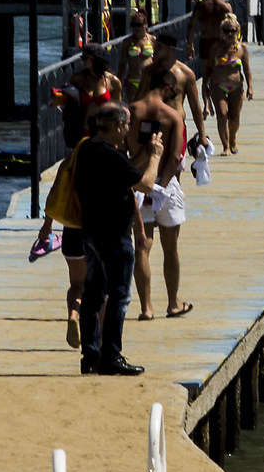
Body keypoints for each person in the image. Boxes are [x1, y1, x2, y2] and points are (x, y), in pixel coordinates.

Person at [73, 104, 156, 376]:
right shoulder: (112, 156)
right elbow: (144, 184)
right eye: (127, 124)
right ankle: (111, 356)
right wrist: (154, 155)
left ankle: (91, 355)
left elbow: (127, 177)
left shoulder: (86, 149)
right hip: (114, 238)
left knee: (93, 294)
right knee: (119, 296)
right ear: (117, 126)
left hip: (92, 234)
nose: (129, 129)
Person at [46, 50, 121, 346]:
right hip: (87, 141)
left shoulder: (111, 82)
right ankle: (100, 340)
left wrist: (46, 225)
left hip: (90, 147)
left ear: (95, 60)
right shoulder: (78, 80)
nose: (82, 61)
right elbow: (65, 101)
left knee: (77, 283)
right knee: (101, 284)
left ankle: (73, 317)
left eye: (86, 57)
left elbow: (118, 109)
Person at [128, 71, 191, 321]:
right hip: (166, 187)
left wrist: (144, 185)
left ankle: (146, 308)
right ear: (167, 87)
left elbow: (122, 148)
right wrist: (160, 189)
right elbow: (175, 158)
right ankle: (173, 304)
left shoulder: (131, 110)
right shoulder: (173, 116)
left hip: (137, 184)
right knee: (170, 247)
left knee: (142, 245)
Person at [146, 32, 208, 150]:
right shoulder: (149, 72)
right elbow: (140, 99)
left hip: (176, 126)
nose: (155, 50)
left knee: (175, 163)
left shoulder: (186, 73)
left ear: (170, 49)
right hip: (153, 125)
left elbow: (195, 106)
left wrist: (202, 135)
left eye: (159, 47)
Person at [204, 17, 252, 154]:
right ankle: (225, 146)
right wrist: (205, 86)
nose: (230, 33)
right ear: (221, 32)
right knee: (222, 114)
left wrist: (250, 87)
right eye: (227, 30)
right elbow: (208, 68)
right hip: (217, 85)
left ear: (238, 31)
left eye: (233, 30)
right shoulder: (216, 48)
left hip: (236, 86)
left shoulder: (242, 48)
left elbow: (247, 69)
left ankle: (233, 138)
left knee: (234, 117)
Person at [116, 12, 157, 100]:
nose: (136, 28)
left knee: (148, 109)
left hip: (149, 80)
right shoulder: (127, 42)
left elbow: (157, 61)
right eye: (133, 25)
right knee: (134, 108)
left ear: (145, 25)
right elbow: (122, 64)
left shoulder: (152, 40)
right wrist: (117, 82)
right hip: (133, 80)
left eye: (139, 25)